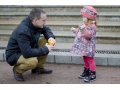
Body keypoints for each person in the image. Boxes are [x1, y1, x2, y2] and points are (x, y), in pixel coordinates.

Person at [5, 8, 56, 81]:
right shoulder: (23, 30)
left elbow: (46, 29)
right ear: (35, 20)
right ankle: (17, 70)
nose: (45, 22)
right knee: (32, 61)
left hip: (27, 48)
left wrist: (50, 37)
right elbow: (27, 53)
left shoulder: (36, 23)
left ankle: (38, 68)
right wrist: (45, 49)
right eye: (43, 20)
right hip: (15, 54)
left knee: (46, 40)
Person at [71, 6, 97, 82]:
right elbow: (79, 32)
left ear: (89, 18)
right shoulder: (84, 24)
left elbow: (88, 36)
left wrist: (83, 29)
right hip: (84, 46)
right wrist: (75, 30)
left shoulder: (93, 26)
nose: (83, 18)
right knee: (85, 59)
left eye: (84, 17)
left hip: (89, 47)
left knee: (90, 60)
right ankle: (86, 71)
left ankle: (92, 74)